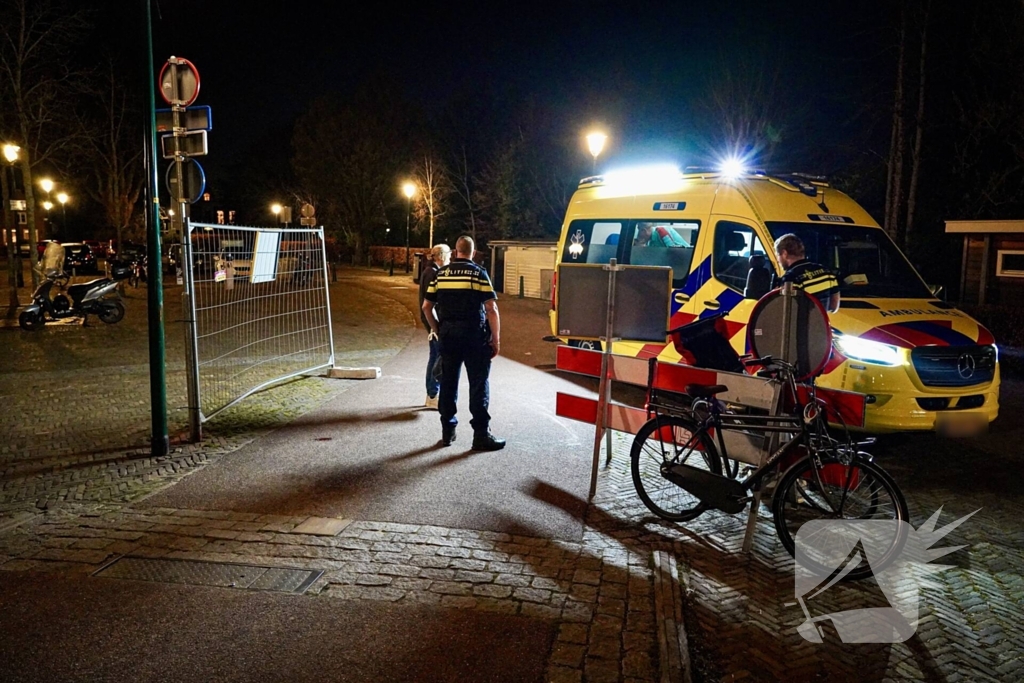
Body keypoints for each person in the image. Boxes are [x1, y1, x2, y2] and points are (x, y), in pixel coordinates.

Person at [421, 235, 505, 451]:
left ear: (456, 252)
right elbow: (491, 309)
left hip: (449, 335)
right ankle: (480, 435)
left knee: (448, 383)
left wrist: (437, 328)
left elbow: (426, 307)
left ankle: (448, 431)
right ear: (473, 251)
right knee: (478, 384)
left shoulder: (441, 274)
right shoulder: (478, 273)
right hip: (474, 336)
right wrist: (495, 339)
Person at [418, 243, 451, 409]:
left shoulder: (430, 271)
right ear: (442, 256)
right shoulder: (432, 273)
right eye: (449, 255)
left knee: (436, 355)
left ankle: (432, 393)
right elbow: (430, 303)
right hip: (434, 323)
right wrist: (434, 326)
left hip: (433, 321)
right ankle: (432, 394)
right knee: (436, 356)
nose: (450, 258)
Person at [773, 233, 840, 313]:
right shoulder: (827, 272)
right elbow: (834, 306)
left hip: (802, 325)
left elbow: (787, 313)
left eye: (777, 255)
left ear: (784, 253)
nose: (777, 260)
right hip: (821, 325)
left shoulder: (791, 278)